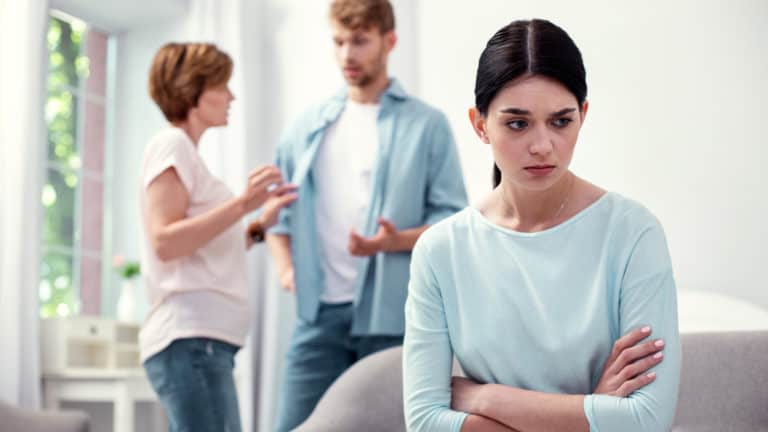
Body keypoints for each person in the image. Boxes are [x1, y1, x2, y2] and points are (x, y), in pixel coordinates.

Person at [403, 19, 681, 432]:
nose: (542, 145)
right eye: (518, 123)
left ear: (582, 116)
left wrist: (486, 398)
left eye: (560, 121)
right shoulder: (440, 250)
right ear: (480, 124)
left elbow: (646, 419)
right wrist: (592, 410)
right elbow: (425, 421)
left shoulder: (633, 233)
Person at [266, 0, 468, 429]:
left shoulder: (426, 125)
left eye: (359, 41)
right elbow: (278, 216)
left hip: (391, 318)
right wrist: (286, 271)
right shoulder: (304, 128)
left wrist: (394, 241)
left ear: (388, 41)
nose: (346, 55)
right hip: (318, 316)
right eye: (338, 41)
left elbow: (454, 219)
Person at [139, 42, 296, 432]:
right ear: (194, 89)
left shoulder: (187, 154)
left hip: (203, 344)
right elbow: (166, 242)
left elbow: (201, 245)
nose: (231, 96)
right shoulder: (171, 144)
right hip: (190, 341)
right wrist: (244, 204)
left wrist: (259, 225)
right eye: (222, 86)